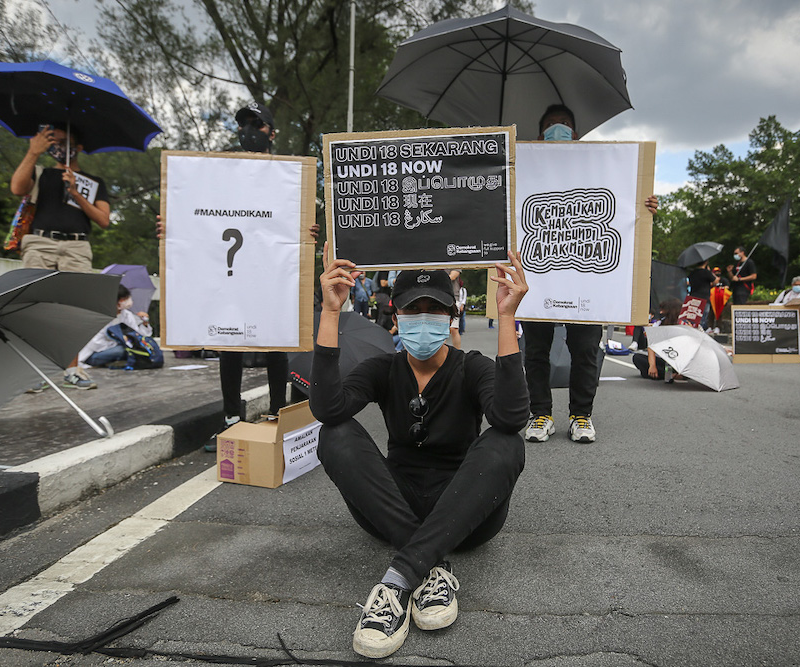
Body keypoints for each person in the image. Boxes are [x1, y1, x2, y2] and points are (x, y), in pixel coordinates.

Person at [311, 245, 530, 659]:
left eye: (435, 311)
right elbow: (328, 409)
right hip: (395, 507)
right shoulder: (381, 369)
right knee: (334, 434)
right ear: (397, 319)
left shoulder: (473, 366)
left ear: (452, 319)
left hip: (465, 512)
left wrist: (506, 318)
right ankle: (431, 566)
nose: (424, 321)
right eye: (414, 311)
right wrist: (330, 311)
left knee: (506, 442)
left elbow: (511, 416)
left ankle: (400, 578)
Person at [158, 101, 319, 449]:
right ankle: (231, 419)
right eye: (244, 124)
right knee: (228, 342)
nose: (249, 131)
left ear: (272, 133)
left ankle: (278, 414)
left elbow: (295, 225)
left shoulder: (288, 178)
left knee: (276, 341)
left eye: (257, 124)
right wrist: (172, 225)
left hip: (267, 272)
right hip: (229, 270)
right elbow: (199, 214)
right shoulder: (219, 173)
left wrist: (309, 233)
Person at [522, 103, 659, 444]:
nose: (559, 129)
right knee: (535, 352)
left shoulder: (599, 170)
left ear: (577, 135)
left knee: (584, 350)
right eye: (552, 124)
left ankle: (581, 416)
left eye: (564, 124)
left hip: (587, 282)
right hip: (538, 282)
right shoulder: (522, 171)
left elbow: (624, 204)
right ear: (540, 135)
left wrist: (644, 205)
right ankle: (540, 414)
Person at [11, 124, 111, 390]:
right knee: (34, 307)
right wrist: (33, 152)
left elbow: (103, 220)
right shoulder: (40, 173)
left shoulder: (94, 182)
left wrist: (76, 192)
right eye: (53, 141)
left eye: (64, 142)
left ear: (77, 147)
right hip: (40, 241)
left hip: (77, 246)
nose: (57, 146)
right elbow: (17, 188)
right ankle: (35, 374)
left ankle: (72, 370)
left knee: (73, 309)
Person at [78, 285, 153, 367]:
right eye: (124, 299)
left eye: (127, 298)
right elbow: (96, 344)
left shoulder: (126, 314)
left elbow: (137, 334)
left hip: (117, 348)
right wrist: (120, 341)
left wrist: (145, 323)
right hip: (94, 354)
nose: (127, 301)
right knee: (122, 350)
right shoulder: (100, 316)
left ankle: (116, 362)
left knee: (142, 347)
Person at [633, 298, 682, 379]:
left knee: (645, 373)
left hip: (678, 360)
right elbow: (651, 346)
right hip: (663, 359)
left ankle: (661, 374)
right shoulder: (658, 325)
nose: (660, 312)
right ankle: (668, 375)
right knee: (637, 358)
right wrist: (652, 365)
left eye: (663, 310)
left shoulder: (683, 325)